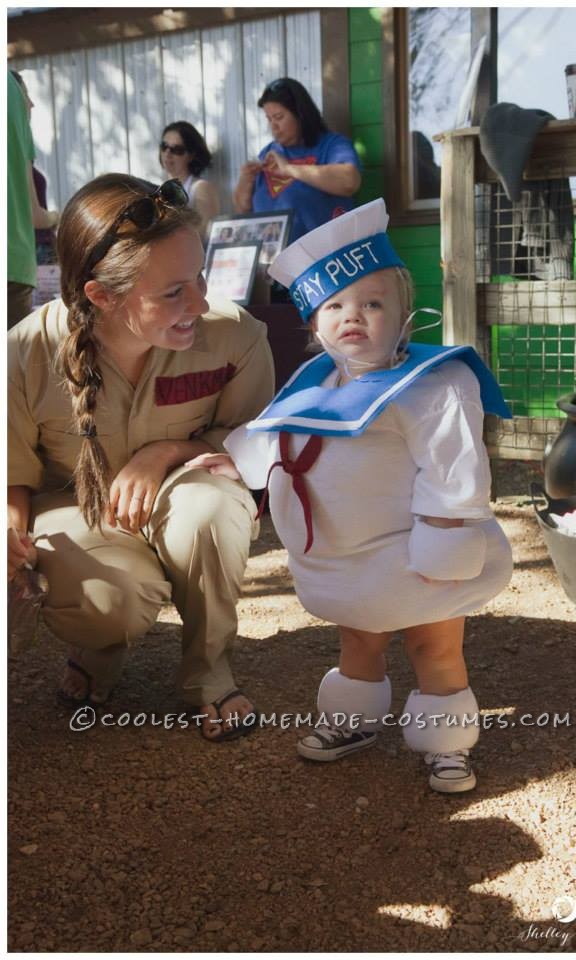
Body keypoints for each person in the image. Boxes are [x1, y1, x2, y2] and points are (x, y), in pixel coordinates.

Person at [186, 199, 513, 791]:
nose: (351, 317)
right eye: (333, 305)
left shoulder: (433, 385)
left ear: (405, 312)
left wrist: (447, 550)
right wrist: (237, 462)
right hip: (346, 552)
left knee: (433, 643)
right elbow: (280, 432)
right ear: (314, 322)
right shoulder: (313, 378)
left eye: (372, 303)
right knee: (358, 636)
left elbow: (453, 468)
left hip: (415, 550)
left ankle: (446, 742)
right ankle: (351, 721)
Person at [8, 173, 275, 741]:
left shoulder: (237, 336)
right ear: (101, 296)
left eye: (199, 277)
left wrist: (169, 451)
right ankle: (102, 643)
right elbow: (12, 478)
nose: (200, 302)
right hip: (75, 513)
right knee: (112, 598)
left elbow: (257, 439)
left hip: (184, 492)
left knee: (213, 508)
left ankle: (209, 672)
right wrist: (12, 544)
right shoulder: (24, 353)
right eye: (173, 291)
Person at [232, 77, 362, 242]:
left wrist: (289, 169)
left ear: (301, 114)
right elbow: (243, 210)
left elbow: (349, 181)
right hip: (272, 260)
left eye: (279, 117)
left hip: (323, 258)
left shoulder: (332, 145)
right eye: (269, 119)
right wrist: (245, 182)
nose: (273, 126)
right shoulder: (269, 153)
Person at [7, 70, 58, 328]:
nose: (32, 103)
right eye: (28, 95)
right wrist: (60, 215)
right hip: (13, 263)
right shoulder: (11, 91)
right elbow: (35, 215)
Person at [159, 121, 220, 241]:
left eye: (177, 149)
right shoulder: (157, 188)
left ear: (191, 155)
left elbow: (203, 235)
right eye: (164, 146)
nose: (168, 153)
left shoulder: (201, 188)